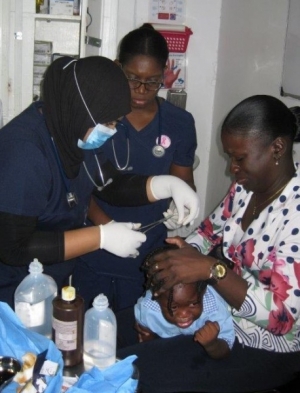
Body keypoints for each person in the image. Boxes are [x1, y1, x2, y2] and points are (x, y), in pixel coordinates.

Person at [116, 95, 300, 393]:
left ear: (277, 148)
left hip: (263, 343)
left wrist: (212, 270)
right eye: (230, 158)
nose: (232, 169)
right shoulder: (245, 187)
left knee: (130, 373)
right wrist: (177, 254)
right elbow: (206, 234)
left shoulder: (295, 214)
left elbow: (282, 319)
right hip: (212, 310)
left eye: (239, 158)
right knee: (111, 331)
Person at [0, 55, 200, 309]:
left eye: (116, 122)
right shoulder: (24, 151)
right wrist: (100, 237)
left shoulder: (73, 130)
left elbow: (109, 185)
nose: (112, 130)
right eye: (108, 122)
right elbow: (13, 247)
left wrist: (168, 185)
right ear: (82, 108)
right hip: (11, 289)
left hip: (47, 281)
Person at [72, 24, 197, 311]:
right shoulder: (96, 117)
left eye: (152, 81)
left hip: (150, 256)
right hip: (94, 249)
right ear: (117, 69)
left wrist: (182, 208)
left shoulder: (179, 123)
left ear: (165, 73)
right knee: (88, 339)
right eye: (132, 79)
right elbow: (80, 185)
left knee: (137, 341)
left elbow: (184, 181)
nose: (142, 90)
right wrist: (108, 229)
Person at [133, 245, 234, 360]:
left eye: (193, 304)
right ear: (157, 298)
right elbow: (144, 328)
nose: (184, 314)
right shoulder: (148, 309)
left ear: (203, 292)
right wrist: (147, 336)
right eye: (174, 307)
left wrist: (212, 344)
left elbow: (226, 350)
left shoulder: (215, 309)